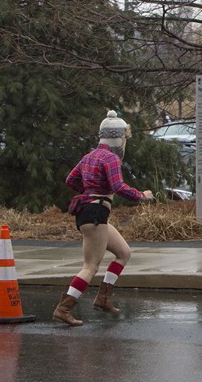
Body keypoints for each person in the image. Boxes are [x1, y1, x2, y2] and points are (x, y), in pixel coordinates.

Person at [53, 110, 154, 326]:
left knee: (123, 253)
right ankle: (64, 308)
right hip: (96, 214)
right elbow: (118, 186)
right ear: (119, 138)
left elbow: (71, 180)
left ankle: (103, 298)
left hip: (92, 212)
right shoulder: (111, 158)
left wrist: (90, 191)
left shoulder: (89, 156)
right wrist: (141, 196)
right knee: (90, 266)